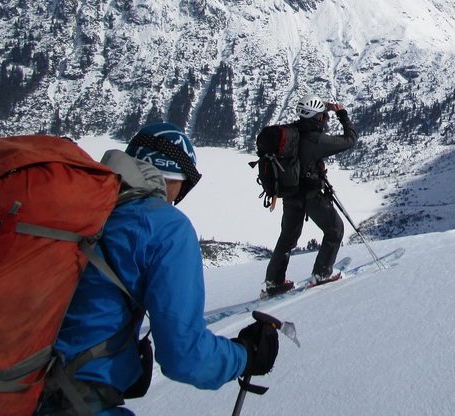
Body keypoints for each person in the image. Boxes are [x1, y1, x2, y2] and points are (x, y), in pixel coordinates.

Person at [39, 122, 279, 415]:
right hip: (74, 401)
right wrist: (246, 355)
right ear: (175, 178)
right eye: (182, 188)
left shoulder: (73, 210)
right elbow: (185, 356)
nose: (175, 199)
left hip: (6, 389)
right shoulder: (165, 228)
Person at [263, 96, 358, 296]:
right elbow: (350, 140)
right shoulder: (315, 140)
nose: (325, 119)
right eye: (323, 116)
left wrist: (326, 107)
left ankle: (274, 282)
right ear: (317, 117)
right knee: (335, 230)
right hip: (311, 195)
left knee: (287, 238)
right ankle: (321, 274)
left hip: (290, 195)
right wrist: (342, 115)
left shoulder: (292, 132)